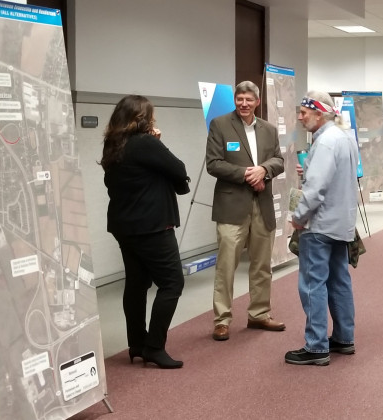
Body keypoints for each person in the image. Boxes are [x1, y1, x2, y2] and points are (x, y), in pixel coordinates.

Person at [101, 95, 190, 369]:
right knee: (173, 283)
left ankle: (137, 344)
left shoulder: (113, 144)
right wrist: (157, 141)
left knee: (137, 284)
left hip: (124, 226)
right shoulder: (146, 143)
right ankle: (154, 347)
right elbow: (179, 169)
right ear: (142, 119)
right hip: (152, 226)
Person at [205, 81, 285, 341]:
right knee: (226, 266)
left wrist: (265, 169)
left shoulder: (269, 130)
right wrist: (248, 174)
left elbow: (279, 160)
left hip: (262, 205)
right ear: (235, 100)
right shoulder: (219, 124)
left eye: (249, 99)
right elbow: (214, 164)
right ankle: (222, 320)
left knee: (262, 265)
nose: (243, 103)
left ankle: (259, 314)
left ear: (257, 102)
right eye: (239, 99)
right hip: (231, 206)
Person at [286, 91, 359, 366]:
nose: (300, 116)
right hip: (341, 224)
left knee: (312, 283)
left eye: (305, 112)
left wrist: (298, 216)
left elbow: (315, 191)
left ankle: (316, 346)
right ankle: (343, 338)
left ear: (320, 113)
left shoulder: (325, 142)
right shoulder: (344, 138)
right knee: (339, 281)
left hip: (319, 226)